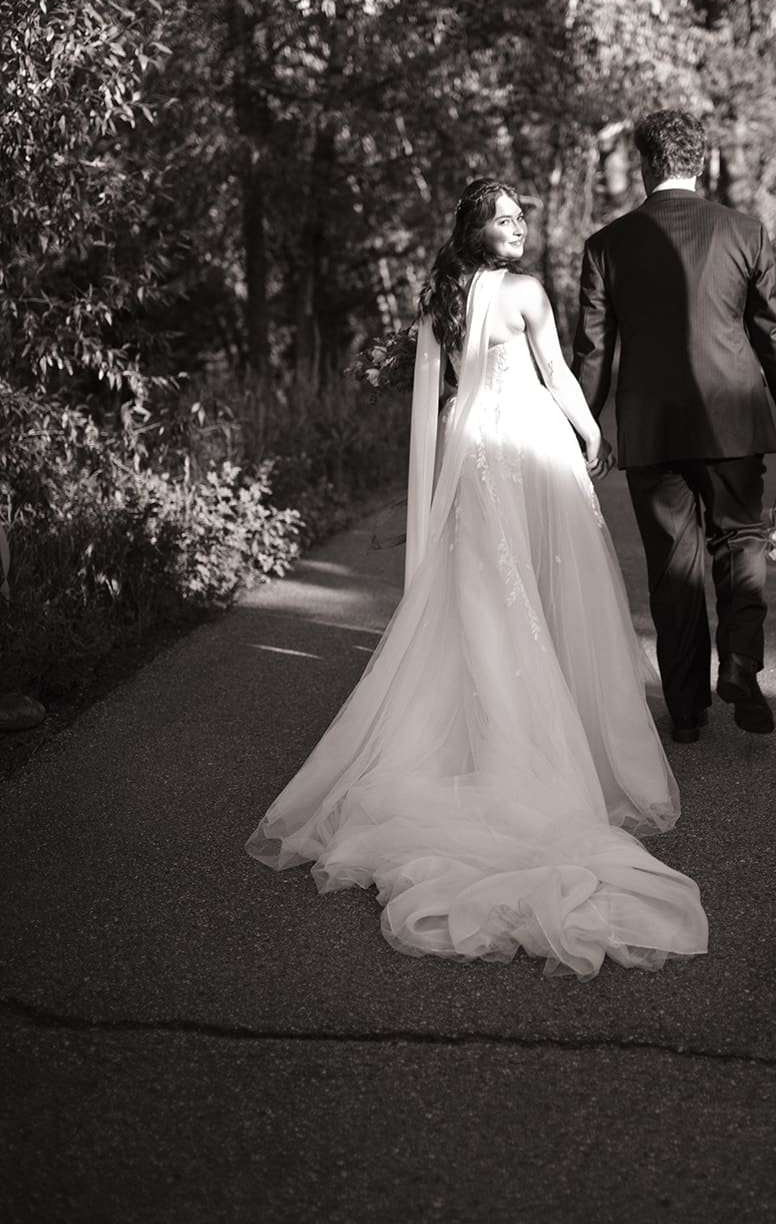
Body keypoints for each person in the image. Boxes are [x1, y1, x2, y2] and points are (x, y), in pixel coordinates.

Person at [247, 179, 707, 978]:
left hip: (472, 448)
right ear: (477, 230)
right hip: (524, 442)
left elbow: (443, 392)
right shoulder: (524, 293)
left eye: (520, 216)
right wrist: (591, 430)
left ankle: (482, 718)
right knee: (540, 581)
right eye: (502, 219)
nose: (517, 227)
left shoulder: (443, 298)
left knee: (483, 594)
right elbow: (556, 373)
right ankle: (541, 733)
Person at [573, 109, 776, 744]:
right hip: (733, 421)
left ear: (646, 165)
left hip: (651, 433)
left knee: (673, 570)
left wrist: (580, 432)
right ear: (699, 163)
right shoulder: (744, 232)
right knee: (739, 543)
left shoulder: (606, 246)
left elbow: (592, 355)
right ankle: (738, 663)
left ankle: (686, 712)